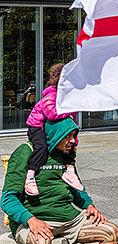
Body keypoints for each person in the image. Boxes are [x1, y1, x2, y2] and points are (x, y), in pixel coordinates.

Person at [1, 117, 118, 244]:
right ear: (56, 133)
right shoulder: (26, 152)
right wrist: (31, 220)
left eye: (74, 135)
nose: (72, 141)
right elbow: (8, 199)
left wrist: (89, 206)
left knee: (112, 232)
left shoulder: (66, 155)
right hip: (34, 220)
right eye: (68, 136)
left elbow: (76, 189)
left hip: (68, 219)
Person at [25, 62, 83, 196]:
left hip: (51, 127)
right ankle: (30, 176)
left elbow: (71, 122)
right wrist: (67, 111)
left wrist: (74, 139)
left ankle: (70, 172)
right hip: (37, 126)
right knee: (41, 148)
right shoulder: (50, 95)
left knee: (71, 147)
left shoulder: (68, 99)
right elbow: (51, 114)